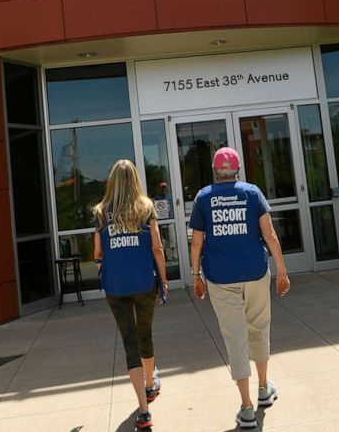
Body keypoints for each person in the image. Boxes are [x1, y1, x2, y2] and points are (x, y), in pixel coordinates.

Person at [188, 147, 291, 430]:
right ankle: (262, 388)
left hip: (220, 278)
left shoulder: (204, 197)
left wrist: (195, 275)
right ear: (237, 169)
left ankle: (246, 408)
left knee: (235, 337)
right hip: (256, 273)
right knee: (259, 327)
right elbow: (269, 234)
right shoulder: (252, 192)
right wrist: (281, 270)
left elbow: (196, 242)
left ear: (214, 170)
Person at [93, 159, 170, 430]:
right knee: (145, 333)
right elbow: (158, 248)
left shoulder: (101, 212)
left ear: (112, 181)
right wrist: (163, 280)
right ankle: (150, 384)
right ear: (135, 179)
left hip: (115, 287)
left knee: (129, 343)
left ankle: (144, 410)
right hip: (143, 283)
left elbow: (98, 254)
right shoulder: (146, 209)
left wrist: (104, 268)